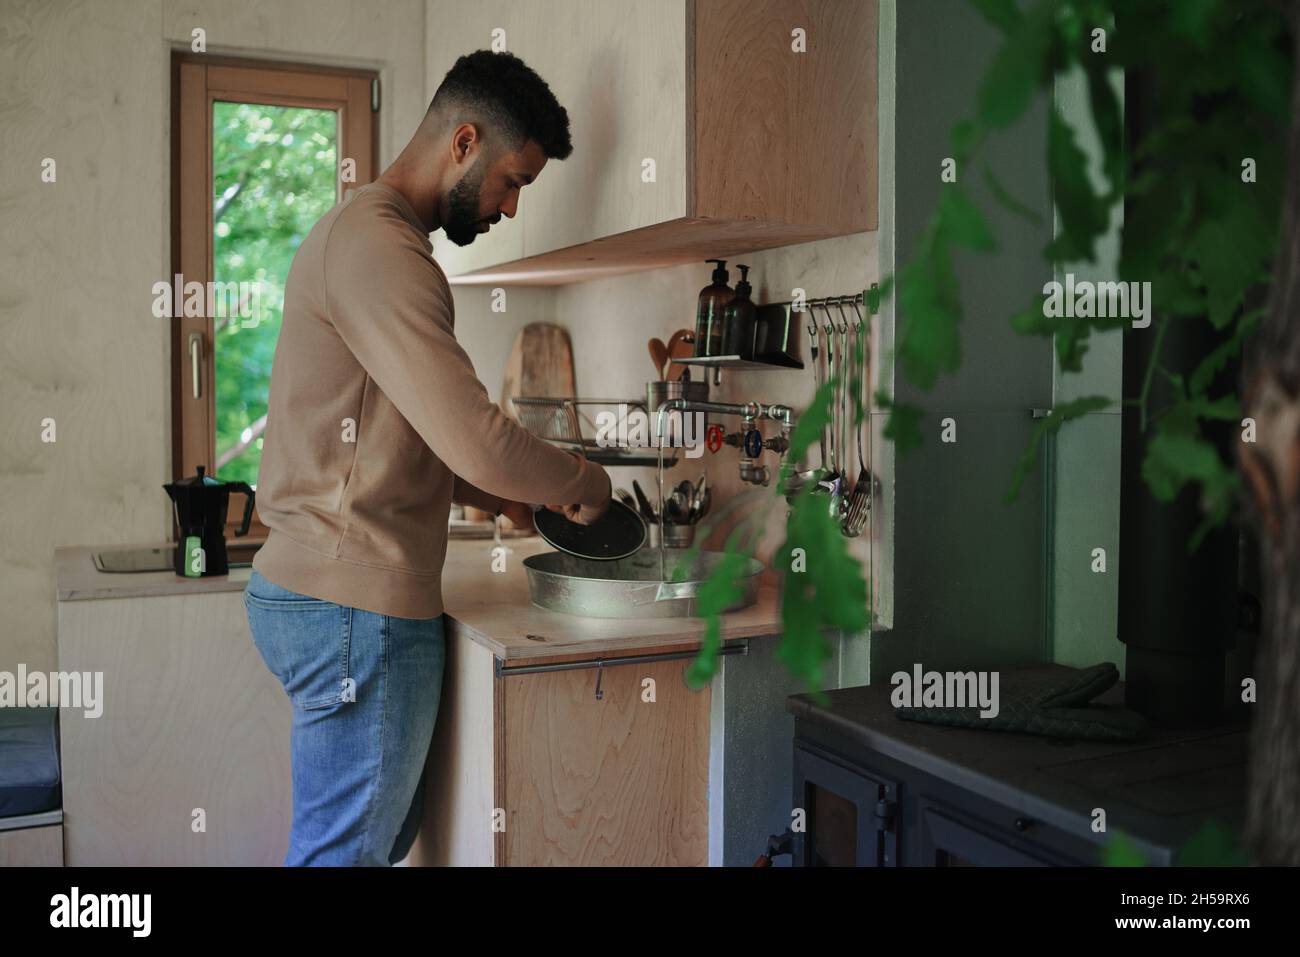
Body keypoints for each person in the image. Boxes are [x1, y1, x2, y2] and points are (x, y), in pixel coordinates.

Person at [243, 50, 611, 866]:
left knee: (367, 847)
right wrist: (587, 480)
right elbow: (474, 432)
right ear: (464, 142)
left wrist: (507, 496)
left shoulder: (369, 238)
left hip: (330, 593)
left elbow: (405, 432)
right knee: (342, 859)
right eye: (512, 181)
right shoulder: (381, 250)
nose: (511, 208)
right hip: (353, 606)